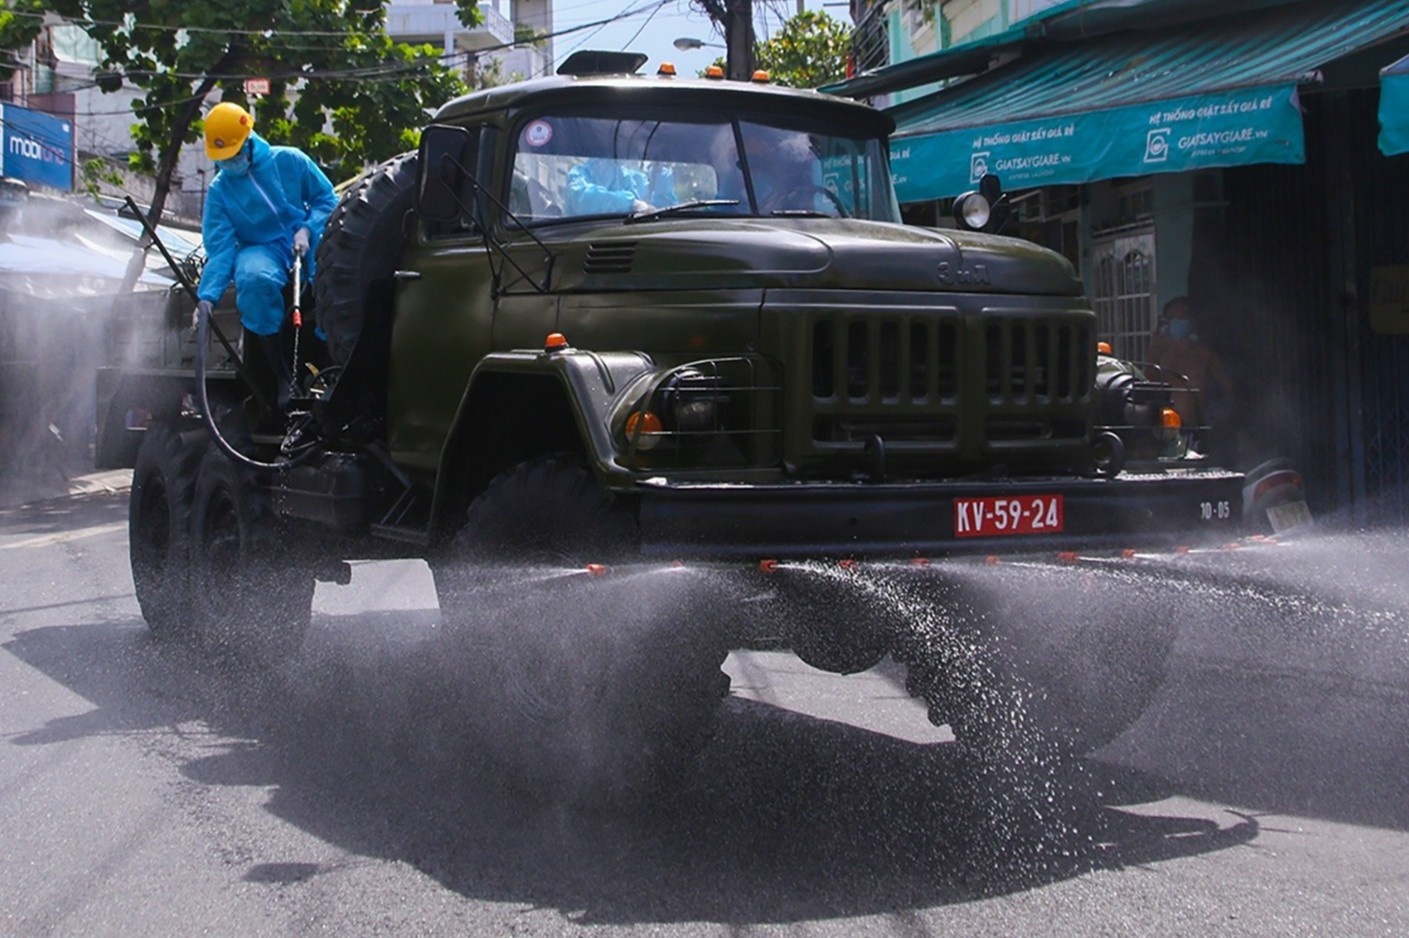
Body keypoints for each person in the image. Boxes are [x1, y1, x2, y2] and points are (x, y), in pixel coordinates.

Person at [193, 101, 338, 398]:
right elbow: (220, 249)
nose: (229, 162)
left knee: (331, 270)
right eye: (223, 158)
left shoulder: (290, 161)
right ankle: (283, 377)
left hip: (301, 236)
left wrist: (308, 228)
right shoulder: (220, 192)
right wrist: (207, 297)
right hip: (259, 248)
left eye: (233, 154)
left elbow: (327, 199)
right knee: (253, 278)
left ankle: (330, 365)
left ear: (249, 141)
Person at [1147, 295, 1232, 433]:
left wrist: (1216, 413)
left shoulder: (1203, 353)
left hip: (1197, 423)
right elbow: (1147, 385)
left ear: (1191, 324)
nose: (1178, 322)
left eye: (1182, 319)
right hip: (1165, 425)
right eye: (1174, 319)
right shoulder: (1157, 351)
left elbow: (1227, 387)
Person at [564, 157, 674, 215]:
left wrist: (659, 177)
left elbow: (662, 210)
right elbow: (582, 200)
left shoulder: (632, 178)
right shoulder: (580, 173)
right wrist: (631, 204)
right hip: (583, 238)